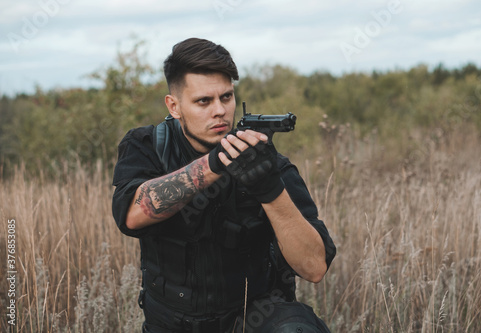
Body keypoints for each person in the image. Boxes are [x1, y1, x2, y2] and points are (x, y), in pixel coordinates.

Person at [112, 37, 336, 333]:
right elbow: (131, 215)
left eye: (226, 97)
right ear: (174, 106)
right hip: (172, 322)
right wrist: (215, 164)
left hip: (253, 317)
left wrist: (269, 189)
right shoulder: (149, 147)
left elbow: (314, 267)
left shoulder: (268, 163)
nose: (219, 111)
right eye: (204, 101)